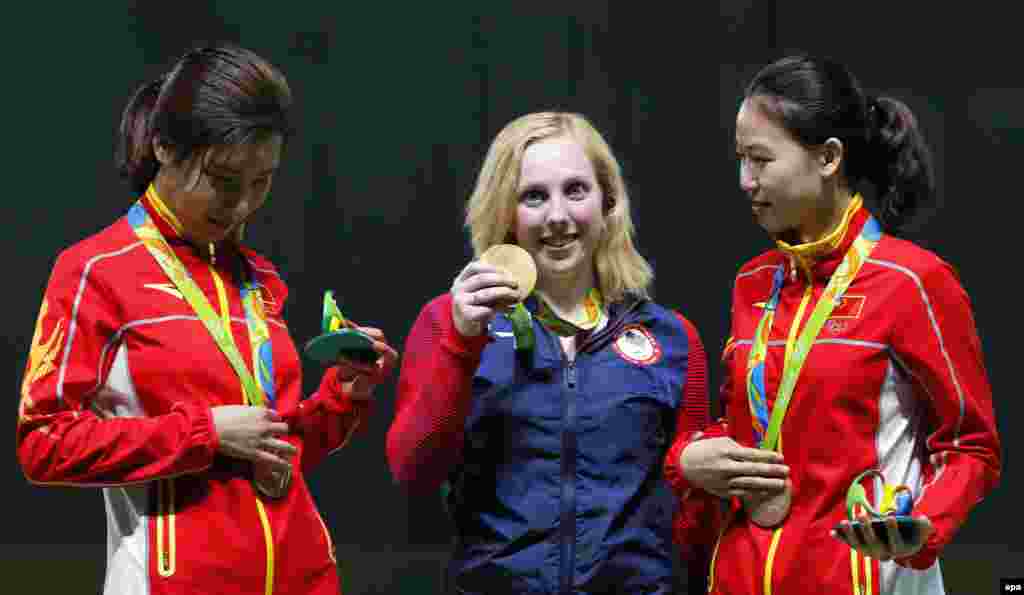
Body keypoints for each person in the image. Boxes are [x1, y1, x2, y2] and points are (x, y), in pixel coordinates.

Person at [16, 43, 397, 595]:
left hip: (305, 577)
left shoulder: (259, 279)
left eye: (262, 182)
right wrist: (205, 434)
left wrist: (344, 393)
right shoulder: (94, 272)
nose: (242, 204)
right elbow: (44, 444)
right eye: (223, 179)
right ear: (165, 147)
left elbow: (282, 450)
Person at [665, 54, 1001, 594]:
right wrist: (691, 457)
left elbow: (972, 446)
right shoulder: (751, 283)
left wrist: (920, 527)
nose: (745, 181)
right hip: (744, 579)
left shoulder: (912, 280)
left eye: (761, 160)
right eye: (739, 160)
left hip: (865, 579)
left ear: (827, 158)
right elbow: (744, 425)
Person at [386, 111, 711, 594]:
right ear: (505, 213)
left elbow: (697, 520)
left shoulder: (671, 338)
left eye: (575, 190)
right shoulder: (448, 322)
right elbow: (412, 472)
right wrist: (460, 343)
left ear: (608, 202)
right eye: (533, 196)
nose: (557, 216)